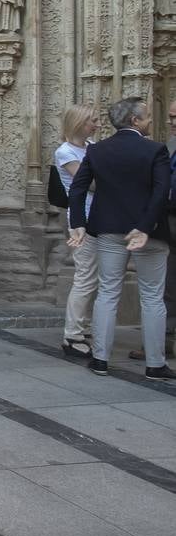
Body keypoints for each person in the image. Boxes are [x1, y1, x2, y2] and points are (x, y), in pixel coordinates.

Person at [68, 97, 176, 380]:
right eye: (148, 117)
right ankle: (155, 364)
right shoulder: (155, 150)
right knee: (152, 296)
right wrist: (143, 226)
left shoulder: (98, 150)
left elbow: (77, 188)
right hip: (149, 233)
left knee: (107, 292)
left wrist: (78, 224)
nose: (151, 121)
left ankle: (101, 359)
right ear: (135, 121)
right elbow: (161, 193)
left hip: (108, 229)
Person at [54, 104, 101, 358]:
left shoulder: (92, 147)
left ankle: (84, 328)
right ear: (79, 123)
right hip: (81, 220)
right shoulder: (65, 152)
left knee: (94, 277)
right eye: (92, 120)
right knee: (85, 276)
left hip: (100, 217)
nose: (97, 124)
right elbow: (90, 184)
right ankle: (72, 334)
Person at [132, 99, 176, 361]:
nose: (172, 122)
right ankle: (164, 339)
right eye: (171, 117)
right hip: (169, 220)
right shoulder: (168, 145)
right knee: (167, 283)